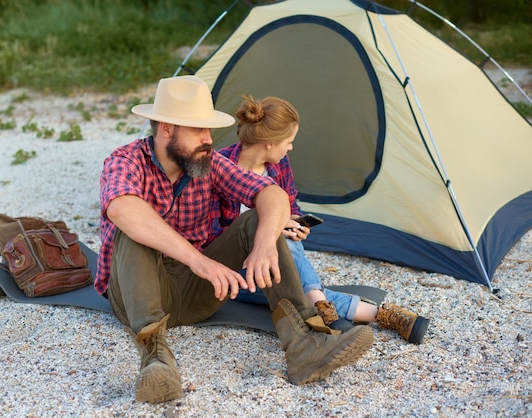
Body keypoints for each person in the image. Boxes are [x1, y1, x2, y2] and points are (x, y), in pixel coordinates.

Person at [97, 75, 374, 404]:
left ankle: (304, 346)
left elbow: (271, 193)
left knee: (256, 219)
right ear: (166, 129)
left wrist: (264, 243)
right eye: (198, 129)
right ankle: (156, 360)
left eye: (209, 129)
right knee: (136, 230)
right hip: (135, 295)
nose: (208, 139)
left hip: (196, 293)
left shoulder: (208, 163)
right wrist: (201, 261)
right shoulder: (125, 161)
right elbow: (124, 209)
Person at [209, 95, 430, 345]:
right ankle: (369, 312)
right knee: (284, 260)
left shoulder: (278, 166)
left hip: (275, 263)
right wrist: (270, 229)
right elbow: (214, 236)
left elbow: (291, 206)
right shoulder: (220, 168)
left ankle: (328, 308)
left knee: (287, 248)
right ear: (269, 143)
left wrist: (294, 223)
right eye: (289, 141)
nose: (291, 147)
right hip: (236, 270)